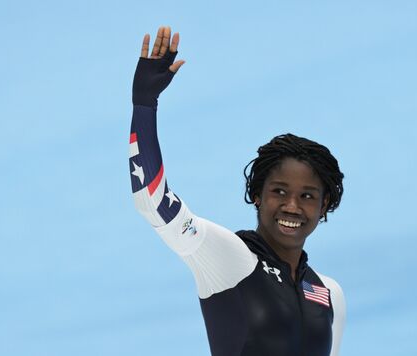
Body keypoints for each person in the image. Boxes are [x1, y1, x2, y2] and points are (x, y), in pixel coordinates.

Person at [130, 26, 346, 356]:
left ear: (324, 204)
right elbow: (153, 202)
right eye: (279, 191)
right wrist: (145, 105)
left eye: (306, 196)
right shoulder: (230, 258)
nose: (291, 206)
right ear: (257, 194)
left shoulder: (328, 293)